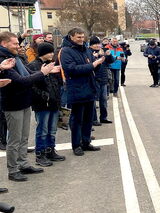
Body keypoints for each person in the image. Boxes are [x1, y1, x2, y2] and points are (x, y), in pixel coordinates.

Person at [0, 31, 55, 181]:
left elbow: (29, 73)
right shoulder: (3, 60)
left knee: (24, 137)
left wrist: (44, 71)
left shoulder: (16, 57)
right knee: (14, 139)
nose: (18, 45)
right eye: (15, 43)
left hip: (24, 101)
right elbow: (21, 81)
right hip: (13, 104)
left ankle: (23, 164)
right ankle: (13, 170)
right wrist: (42, 73)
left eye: (18, 43)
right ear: (4, 44)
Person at [59, 28, 105, 156]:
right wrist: (93, 65)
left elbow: (92, 66)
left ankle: (86, 142)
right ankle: (76, 145)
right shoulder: (66, 51)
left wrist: (99, 62)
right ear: (71, 37)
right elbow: (71, 69)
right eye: (78, 37)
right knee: (77, 120)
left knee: (88, 119)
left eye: (82, 37)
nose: (81, 39)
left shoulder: (85, 49)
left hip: (89, 89)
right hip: (76, 90)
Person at [28, 42, 67, 166]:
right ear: (43, 53)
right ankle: (40, 154)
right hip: (42, 103)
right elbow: (32, 84)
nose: (52, 54)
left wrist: (57, 98)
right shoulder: (33, 65)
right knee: (42, 129)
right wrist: (43, 95)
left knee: (52, 129)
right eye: (49, 52)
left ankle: (51, 150)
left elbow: (57, 83)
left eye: (52, 51)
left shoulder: (53, 64)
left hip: (54, 102)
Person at [88, 37, 113, 125]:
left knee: (104, 100)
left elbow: (110, 61)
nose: (98, 45)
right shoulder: (89, 52)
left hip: (103, 79)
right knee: (93, 101)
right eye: (95, 44)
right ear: (91, 45)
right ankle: (94, 119)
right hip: (94, 80)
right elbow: (89, 65)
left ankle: (103, 117)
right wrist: (95, 57)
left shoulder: (102, 51)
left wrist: (108, 55)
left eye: (99, 44)